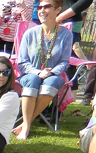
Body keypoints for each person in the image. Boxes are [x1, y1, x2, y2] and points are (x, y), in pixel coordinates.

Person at [12, 0, 73, 140]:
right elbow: (22, 62)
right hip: (30, 75)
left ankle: (25, 124)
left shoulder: (66, 34)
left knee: (52, 81)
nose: (41, 11)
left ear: (57, 10)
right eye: (39, 7)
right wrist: (38, 73)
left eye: (46, 7)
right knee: (33, 79)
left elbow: (65, 62)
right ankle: (26, 126)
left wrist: (51, 72)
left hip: (53, 75)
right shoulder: (29, 33)